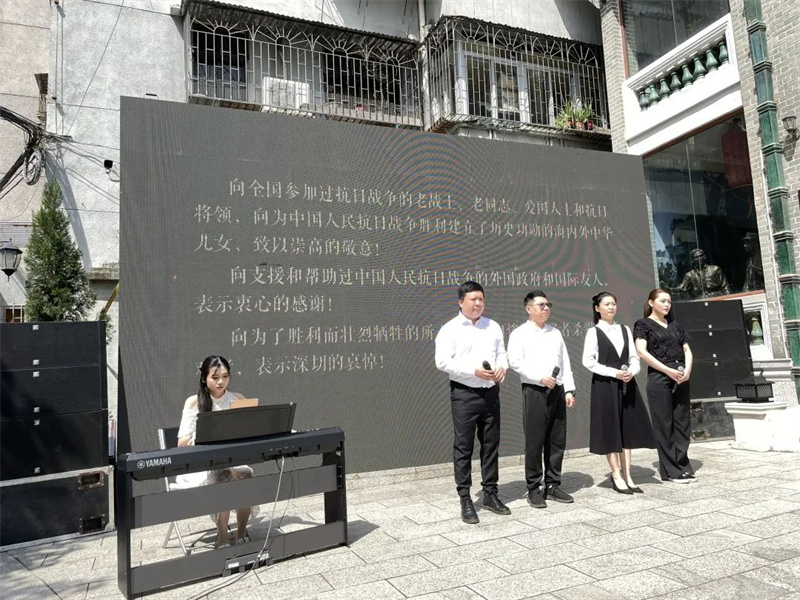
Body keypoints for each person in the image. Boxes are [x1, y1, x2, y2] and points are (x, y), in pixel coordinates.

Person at [435, 281, 511, 524]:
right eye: (473, 299)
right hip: (464, 394)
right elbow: (442, 361)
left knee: (491, 444)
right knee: (464, 446)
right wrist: (473, 371)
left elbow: (502, 354)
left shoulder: (493, 326)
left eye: (481, 299)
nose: (478, 303)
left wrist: (502, 367)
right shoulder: (450, 329)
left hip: (490, 392)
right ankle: (465, 498)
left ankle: (490, 493)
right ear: (461, 302)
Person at [177, 355, 256, 546]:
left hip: (233, 459)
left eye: (225, 376)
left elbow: (251, 430)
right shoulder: (194, 402)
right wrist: (198, 436)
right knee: (224, 475)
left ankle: (241, 531)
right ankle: (222, 535)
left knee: (243, 474)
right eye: (215, 377)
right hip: (203, 464)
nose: (221, 382)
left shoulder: (238, 399)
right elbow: (181, 443)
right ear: (204, 378)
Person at [507, 291, 576, 508]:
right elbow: (514, 362)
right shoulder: (519, 333)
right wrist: (539, 377)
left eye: (548, 305)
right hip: (535, 390)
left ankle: (553, 484)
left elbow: (565, 362)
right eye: (541, 305)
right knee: (535, 441)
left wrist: (569, 389)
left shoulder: (555, 333)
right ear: (528, 309)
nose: (546, 308)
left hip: (557, 390)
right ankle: (534, 488)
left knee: (556, 440)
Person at [582, 291, 655, 494]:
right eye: (606, 304)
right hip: (604, 386)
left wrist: (632, 371)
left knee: (627, 428)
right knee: (610, 428)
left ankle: (627, 474)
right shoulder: (593, 332)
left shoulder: (624, 329)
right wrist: (614, 372)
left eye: (613, 303)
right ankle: (616, 474)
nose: (611, 307)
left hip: (626, 384)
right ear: (597, 308)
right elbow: (588, 361)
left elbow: (634, 357)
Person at [633, 290, 696, 484]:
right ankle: (671, 470)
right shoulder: (643, 325)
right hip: (660, 377)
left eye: (669, 301)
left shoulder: (675, 325)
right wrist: (667, 371)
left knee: (682, 422)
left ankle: (683, 465)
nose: (667, 304)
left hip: (681, 377)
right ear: (651, 303)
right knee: (664, 424)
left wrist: (687, 371)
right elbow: (641, 352)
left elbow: (687, 350)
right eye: (662, 301)